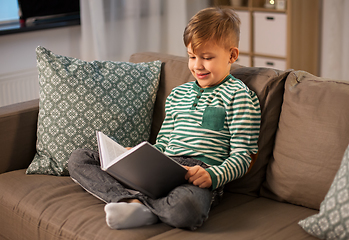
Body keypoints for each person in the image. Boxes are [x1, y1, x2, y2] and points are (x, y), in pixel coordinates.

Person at [68, 7, 261, 230]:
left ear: (232, 55)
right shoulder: (178, 94)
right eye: (192, 56)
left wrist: (213, 175)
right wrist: (138, 154)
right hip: (162, 167)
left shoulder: (240, 96)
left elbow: (244, 156)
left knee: (187, 209)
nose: (197, 65)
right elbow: (163, 143)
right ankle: (130, 201)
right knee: (79, 158)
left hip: (196, 177)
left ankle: (137, 205)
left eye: (207, 58)